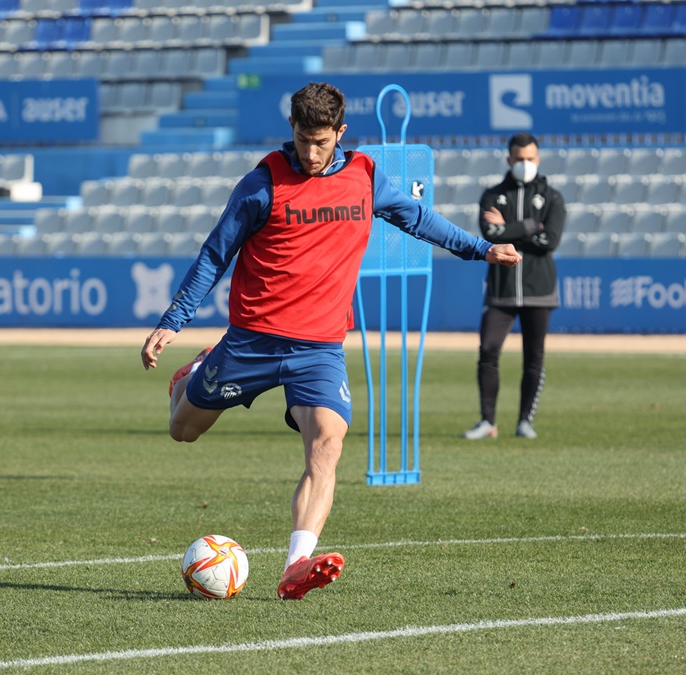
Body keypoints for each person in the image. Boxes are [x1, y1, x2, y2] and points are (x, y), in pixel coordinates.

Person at [141, 82, 522, 600]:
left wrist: (481, 249)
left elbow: (419, 219)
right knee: (182, 430)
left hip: (318, 349)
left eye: (321, 142)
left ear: (340, 133)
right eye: (302, 140)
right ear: (291, 131)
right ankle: (195, 371)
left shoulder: (364, 177)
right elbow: (215, 254)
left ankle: (296, 563)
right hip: (251, 341)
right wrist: (173, 321)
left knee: (327, 444)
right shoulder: (261, 184)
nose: (311, 152)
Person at [462, 133, 566, 441]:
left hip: (540, 288)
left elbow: (551, 241)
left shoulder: (552, 197)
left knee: (534, 357)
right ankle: (487, 421)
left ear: (538, 159)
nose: (525, 164)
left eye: (530, 158)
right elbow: (490, 233)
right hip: (501, 289)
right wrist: (531, 226)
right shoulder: (493, 195)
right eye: (519, 159)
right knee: (488, 350)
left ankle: (525, 421)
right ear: (509, 160)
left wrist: (508, 230)